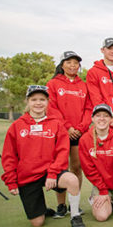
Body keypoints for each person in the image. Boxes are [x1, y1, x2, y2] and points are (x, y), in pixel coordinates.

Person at [1, 85, 86, 227]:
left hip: (50, 172)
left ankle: (75, 216)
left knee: (72, 179)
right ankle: (41, 210)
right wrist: (11, 181)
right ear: (28, 102)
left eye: (42, 99)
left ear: (48, 102)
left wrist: (53, 173)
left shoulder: (56, 124)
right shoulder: (17, 126)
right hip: (27, 175)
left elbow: (62, 152)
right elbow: (9, 156)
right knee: (37, 223)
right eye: (34, 100)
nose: (38, 103)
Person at [47, 50, 91, 218]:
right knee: (60, 167)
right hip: (60, 132)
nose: (72, 65)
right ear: (62, 64)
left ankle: (75, 203)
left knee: (76, 167)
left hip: (79, 133)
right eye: (69, 62)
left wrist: (80, 127)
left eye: (75, 63)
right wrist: (67, 127)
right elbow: (52, 108)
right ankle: (61, 205)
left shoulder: (83, 85)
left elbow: (88, 108)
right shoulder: (53, 84)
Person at [78, 104, 113, 221]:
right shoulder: (85, 140)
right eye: (98, 116)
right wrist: (102, 190)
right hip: (102, 184)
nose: (101, 119)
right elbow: (89, 169)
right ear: (92, 118)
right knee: (101, 216)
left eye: (105, 116)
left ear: (111, 119)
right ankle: (111, 200)